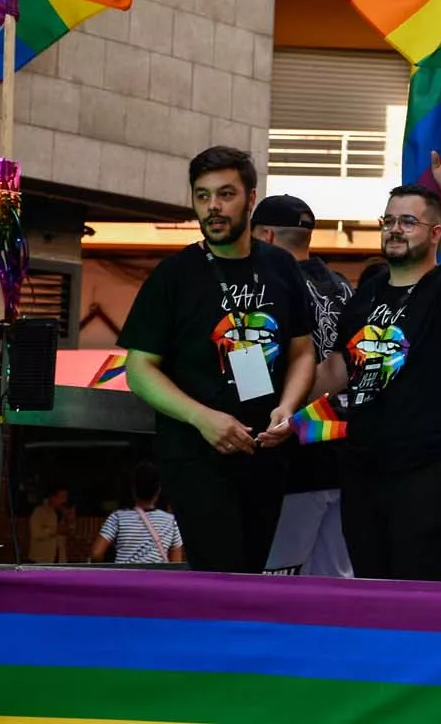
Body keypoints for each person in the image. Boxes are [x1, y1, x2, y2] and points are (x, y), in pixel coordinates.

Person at [310, 128, 441, 582]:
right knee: (371, 589)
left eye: (407, 222)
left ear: (436, 233)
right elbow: (340, 366)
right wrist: (279, 400)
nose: (395, 229)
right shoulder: (369, 290)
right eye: (389, 220)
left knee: (419, 592)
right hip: (367, 466)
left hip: (437, 470)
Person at [121, 146, 316, 573]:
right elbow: (138, 368)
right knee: (220, 570)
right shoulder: (173, 276)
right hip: (196, 454)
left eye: (225, 194)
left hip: (266, 450)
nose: (213, 207)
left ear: (250, 198)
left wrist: (288, 406)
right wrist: (202, 418)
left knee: (252, 569)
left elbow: (303, 352)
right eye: (203, 195)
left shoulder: (281, 267)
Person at [250, 194, 353, 578]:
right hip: (343, 453)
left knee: (279, 578)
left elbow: (255, 375)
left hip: (289, 457)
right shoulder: (345, 289)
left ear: (268, 236)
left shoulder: (268, 286)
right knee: (334, 583)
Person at [90, 463, 185, 564]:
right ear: (158, 490)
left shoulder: (117, 518)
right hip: (156, 578)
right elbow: (176, 564)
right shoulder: (171, 521)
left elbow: (96, 554)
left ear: (133, 489)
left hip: (124, 578)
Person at [28, 484, 72, 564]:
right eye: (62, 497)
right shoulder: (40, 511)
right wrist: (56, 530)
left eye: (66, 497)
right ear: (52, 497)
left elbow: (70, 531)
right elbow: (36, 533)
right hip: (41, 559)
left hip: (60, 560)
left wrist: (69, 519)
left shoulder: (63, 513)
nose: (64, 501)